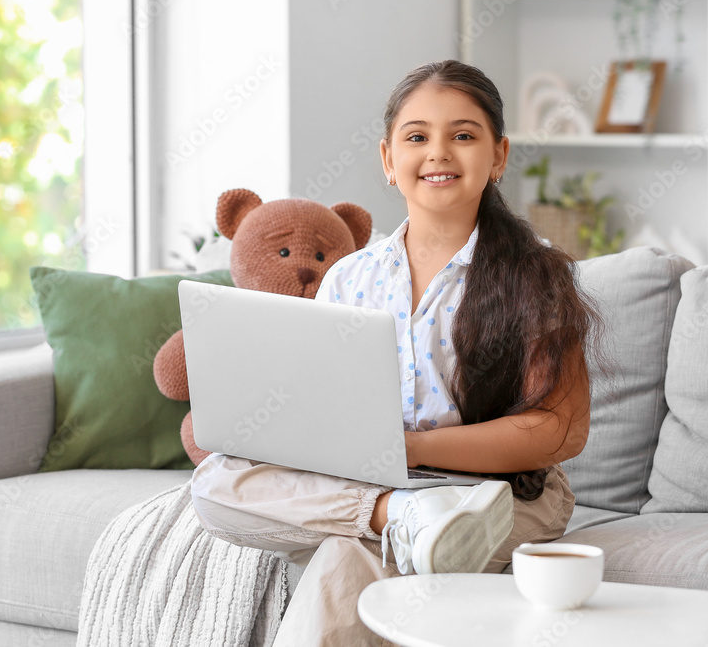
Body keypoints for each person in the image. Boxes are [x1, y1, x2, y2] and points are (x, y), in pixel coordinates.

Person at [190, 59, 611, 646]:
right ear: (389, 160)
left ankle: (403, 517)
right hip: (380, 484)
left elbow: (557, 431)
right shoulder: (349, 278)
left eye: (463, 135)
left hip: (501, 494)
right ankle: (398, 517)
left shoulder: (535, 275)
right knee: (215, 485)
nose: (438, 152)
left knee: (344, 556)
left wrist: (407, 449)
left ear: (499, 157)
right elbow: (319, 407)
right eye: (417, 137)